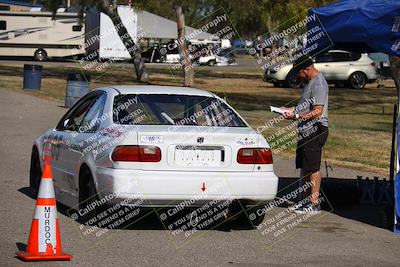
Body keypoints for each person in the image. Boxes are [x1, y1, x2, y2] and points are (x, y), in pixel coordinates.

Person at [281, 55, 329, 213]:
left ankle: (314, 203)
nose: (297, 75)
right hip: (305, 130)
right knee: (305, 165)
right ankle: (304, 200)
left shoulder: (319, 84)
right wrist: (291, 111)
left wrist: (295, 116)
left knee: (313, 166)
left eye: (299, 72)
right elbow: (304, 106)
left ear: (307, 69)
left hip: (315, 129)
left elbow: (317, 112)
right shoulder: (309, 83)